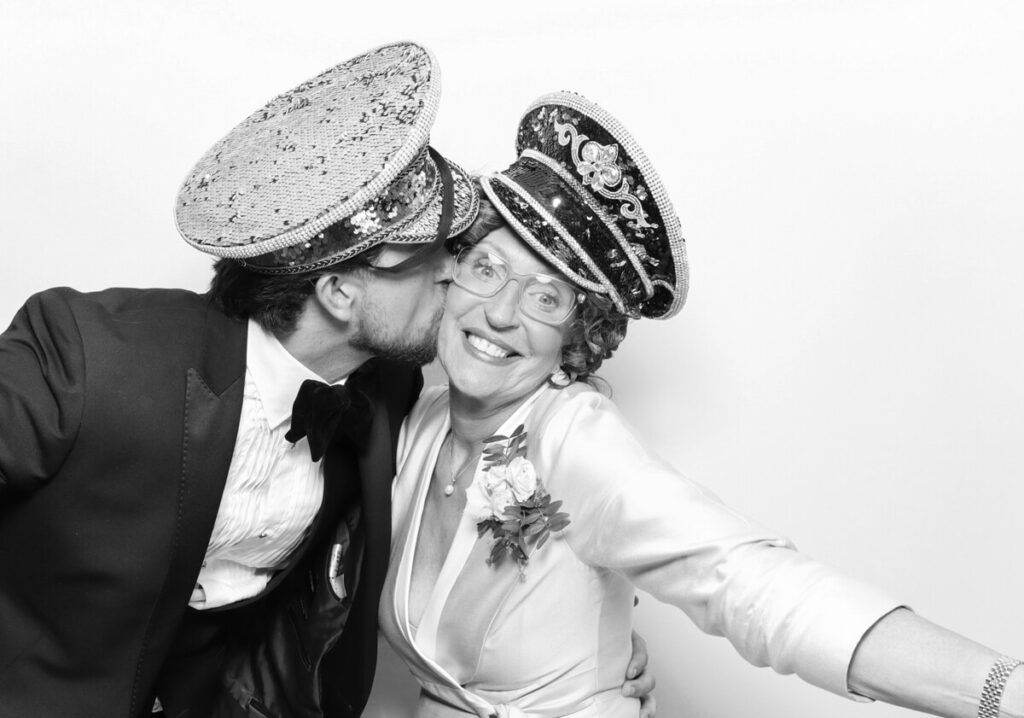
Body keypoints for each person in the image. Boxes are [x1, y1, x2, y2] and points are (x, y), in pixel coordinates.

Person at [0, 43, 654, 718]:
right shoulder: (87, 352)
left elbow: (502, 486)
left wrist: (590, 655)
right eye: (434, 257)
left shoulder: (393, 399)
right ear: (341, 292)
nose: (457, 278)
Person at [372, 92, 1024, 717]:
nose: (502, 313)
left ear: (577, 334)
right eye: (487, 269)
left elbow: (750, 585)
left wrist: (1001, 691)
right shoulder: (415, 426)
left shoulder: (572, 438)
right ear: (449, 272)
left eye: (547, 298)